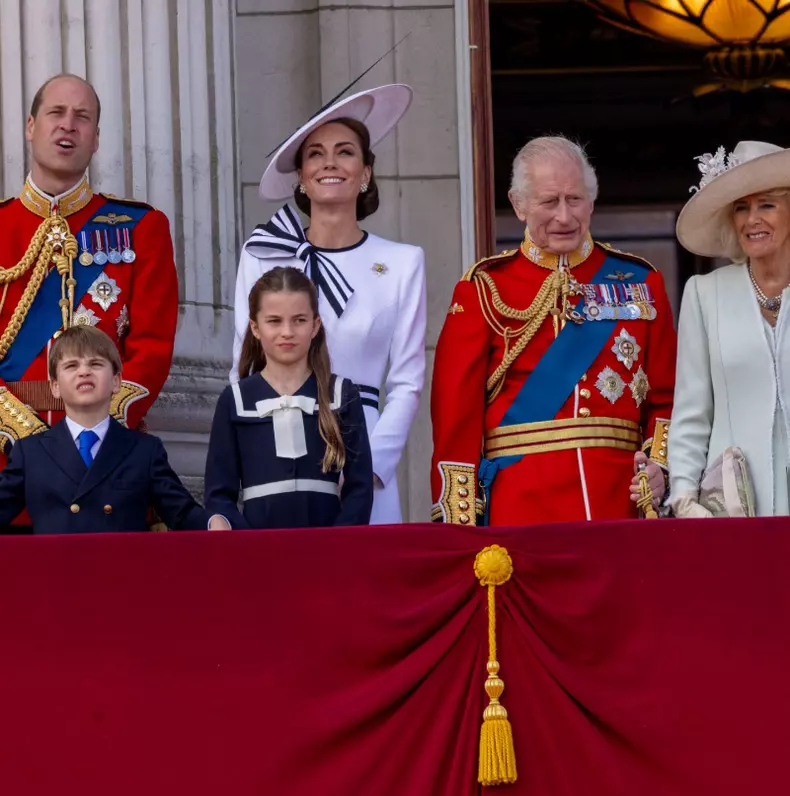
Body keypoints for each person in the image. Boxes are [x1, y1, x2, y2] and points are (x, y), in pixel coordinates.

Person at [430, 136, 676, 525]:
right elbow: (455, 420)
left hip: (618, 504)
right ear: (519, 205)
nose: (564, 216)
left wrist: (660, 466)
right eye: (549, 202)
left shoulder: (641, 281)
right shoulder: (484, 288)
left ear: (591, 202)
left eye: (574, 199)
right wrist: (461, 525)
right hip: (521, 507)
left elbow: (667, 397)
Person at [232, 85, 426, 525]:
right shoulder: (263, 254)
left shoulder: (401, 262)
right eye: (315, 154)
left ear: (365, 172)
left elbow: (408, 381)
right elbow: (241, 367)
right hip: (279, 444)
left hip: (367, 447)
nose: (330, 163)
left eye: (345, 152)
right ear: (300, 174)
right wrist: (258, 454)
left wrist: (369, 470)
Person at [0, 74, 178, 487]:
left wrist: (93, 431)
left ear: (96, 138)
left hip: (104, 462)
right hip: (7, 460)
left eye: (82, 117)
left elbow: (151, 346)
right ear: (31, 127)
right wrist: (20, 434)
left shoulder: (141, 227)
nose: (68, 125)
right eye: (56, 113)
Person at [0, 327, 225, 534]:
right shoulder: (30, 453)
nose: (84, 372)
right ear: (55, 386)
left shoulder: (144, 451)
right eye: (71, 366)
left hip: (121, 573)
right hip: (55, 573)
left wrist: (213, 523)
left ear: (117, 381)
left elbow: (182, 513)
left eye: (96, 364)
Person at [671, 141, 790, 517]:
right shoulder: (706, 293)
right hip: (734, 510)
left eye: (766, 205)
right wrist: (684, 497)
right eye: (742, 207)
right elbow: (691, 411)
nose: (751, 219)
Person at [207, 266, 373, 529]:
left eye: (299, 320)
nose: (287, 331)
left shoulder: (342, 394)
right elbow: (219, 494)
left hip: (329, 550)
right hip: (257, 552)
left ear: (315, 325)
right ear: (255, 327)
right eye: (274, 321)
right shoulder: (235, 399)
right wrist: (245, 542)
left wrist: (340, 542)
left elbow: (360, 488)